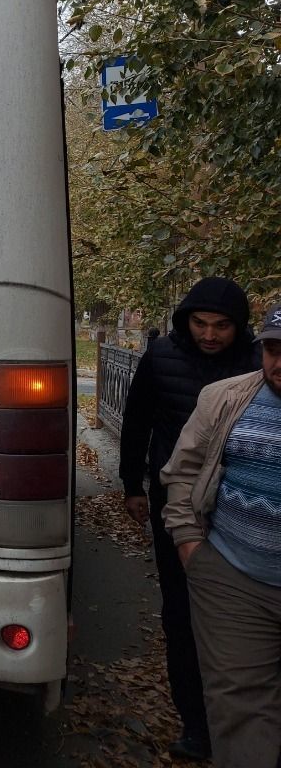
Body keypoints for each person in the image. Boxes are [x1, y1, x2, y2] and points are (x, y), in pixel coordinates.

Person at [118, 276, 259, 761]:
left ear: (238, 327)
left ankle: (238, 720)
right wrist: (132, 487)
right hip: (175, 506)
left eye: (222, 325)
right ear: (186, 321)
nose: (210, 335)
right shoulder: (161, 357)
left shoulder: (259, 365)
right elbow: (136, 422)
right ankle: (195, 724)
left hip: (239, 511)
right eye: (200, 323)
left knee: (240, 619)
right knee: (182, 611)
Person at [162, 301, 281, 768]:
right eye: (273, 349)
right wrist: (192, 548)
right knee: (240, 710)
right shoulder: (226, 398)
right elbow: (183, 471)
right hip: (233, 582)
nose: (279, 363)